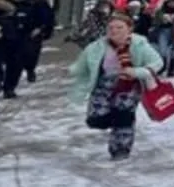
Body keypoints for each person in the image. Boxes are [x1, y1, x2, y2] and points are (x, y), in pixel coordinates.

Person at [69, 14, 165, 160]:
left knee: (124, 118)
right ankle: (117, 120)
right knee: (95, 120)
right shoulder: (97, 46)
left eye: (119, 27)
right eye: (111, 28)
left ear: (129, 29)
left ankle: (120, 149)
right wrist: (75, 70)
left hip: (129, 85)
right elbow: (83, 64)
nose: (114, 31)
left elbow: (157, 63)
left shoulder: (139, 45)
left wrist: (136, 72)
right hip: (104, 84)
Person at [20, 0, 56, 83]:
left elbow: (48, 18)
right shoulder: (18, 3)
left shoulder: (41, 4)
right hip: (20, 33)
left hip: (35, 33)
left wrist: (41, 29)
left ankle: (30, 70)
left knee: (32, 54)